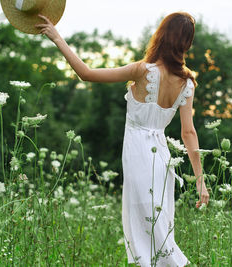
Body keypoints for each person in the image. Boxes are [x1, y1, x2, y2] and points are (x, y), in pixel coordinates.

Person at [36, 11, 210, 266]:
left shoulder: (142, 70)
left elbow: (86, 73)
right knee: (158, 230)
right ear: (186, 43)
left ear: (161, 36)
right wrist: (200, 180)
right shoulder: (187, 83)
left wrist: (57, 37)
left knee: (147, 232)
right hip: (162, 159)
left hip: (140, 156)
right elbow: (188, 133)